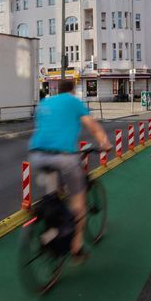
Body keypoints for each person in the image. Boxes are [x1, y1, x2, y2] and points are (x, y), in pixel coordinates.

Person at [28, 79, 111, 262]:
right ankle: (76, 247)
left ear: (58, 89)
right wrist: (105, 142)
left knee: (54, 196)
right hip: (64, 157)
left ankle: (49, 230)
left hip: (37, 155)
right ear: (73, 90)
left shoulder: (45, 102)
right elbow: (93, 126)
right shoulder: (74, 102)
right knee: (78, 202)